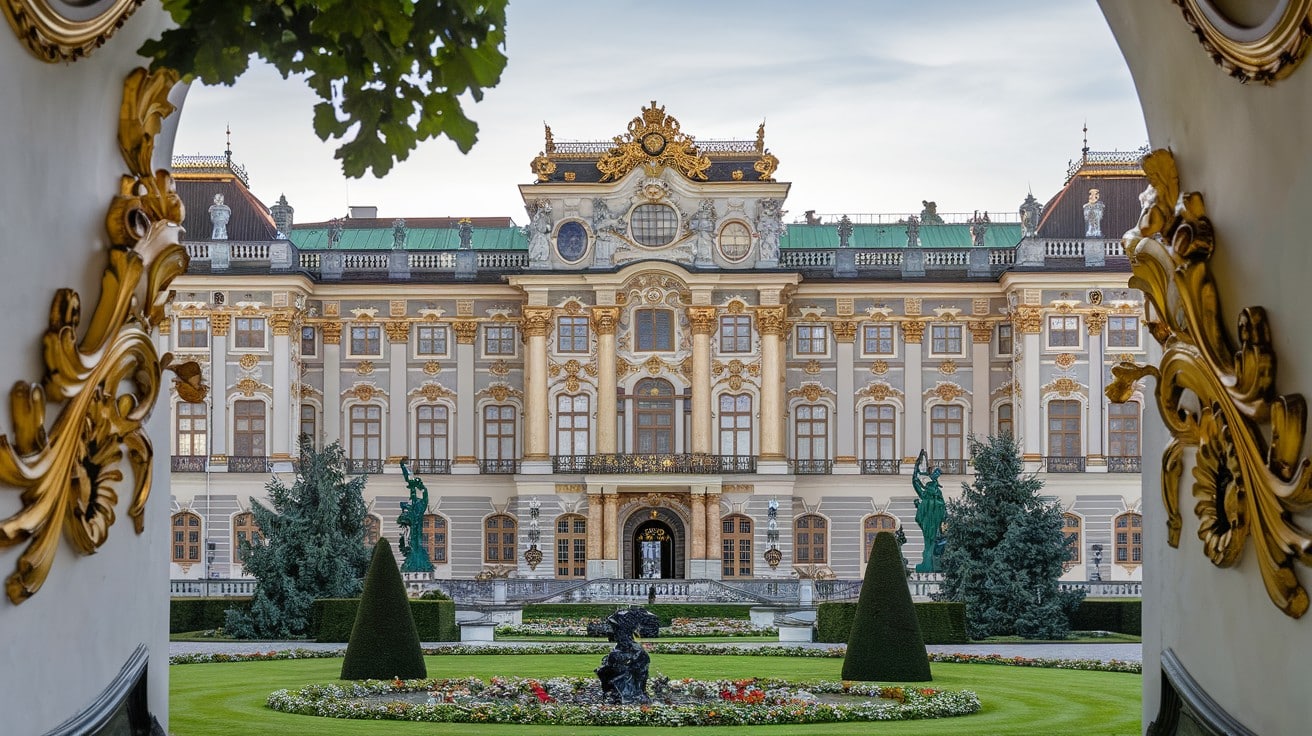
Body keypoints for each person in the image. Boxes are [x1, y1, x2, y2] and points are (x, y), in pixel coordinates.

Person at [911, 449, 947, 572]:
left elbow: (943, 507)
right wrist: (916, 467)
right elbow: (915, 482)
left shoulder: (937, 494)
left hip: (935, 520)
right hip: (928, 520)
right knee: (929, 542)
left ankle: (932, 563)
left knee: (934, 542)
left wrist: (944, 517)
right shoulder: (926, 495)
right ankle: (928, 564)